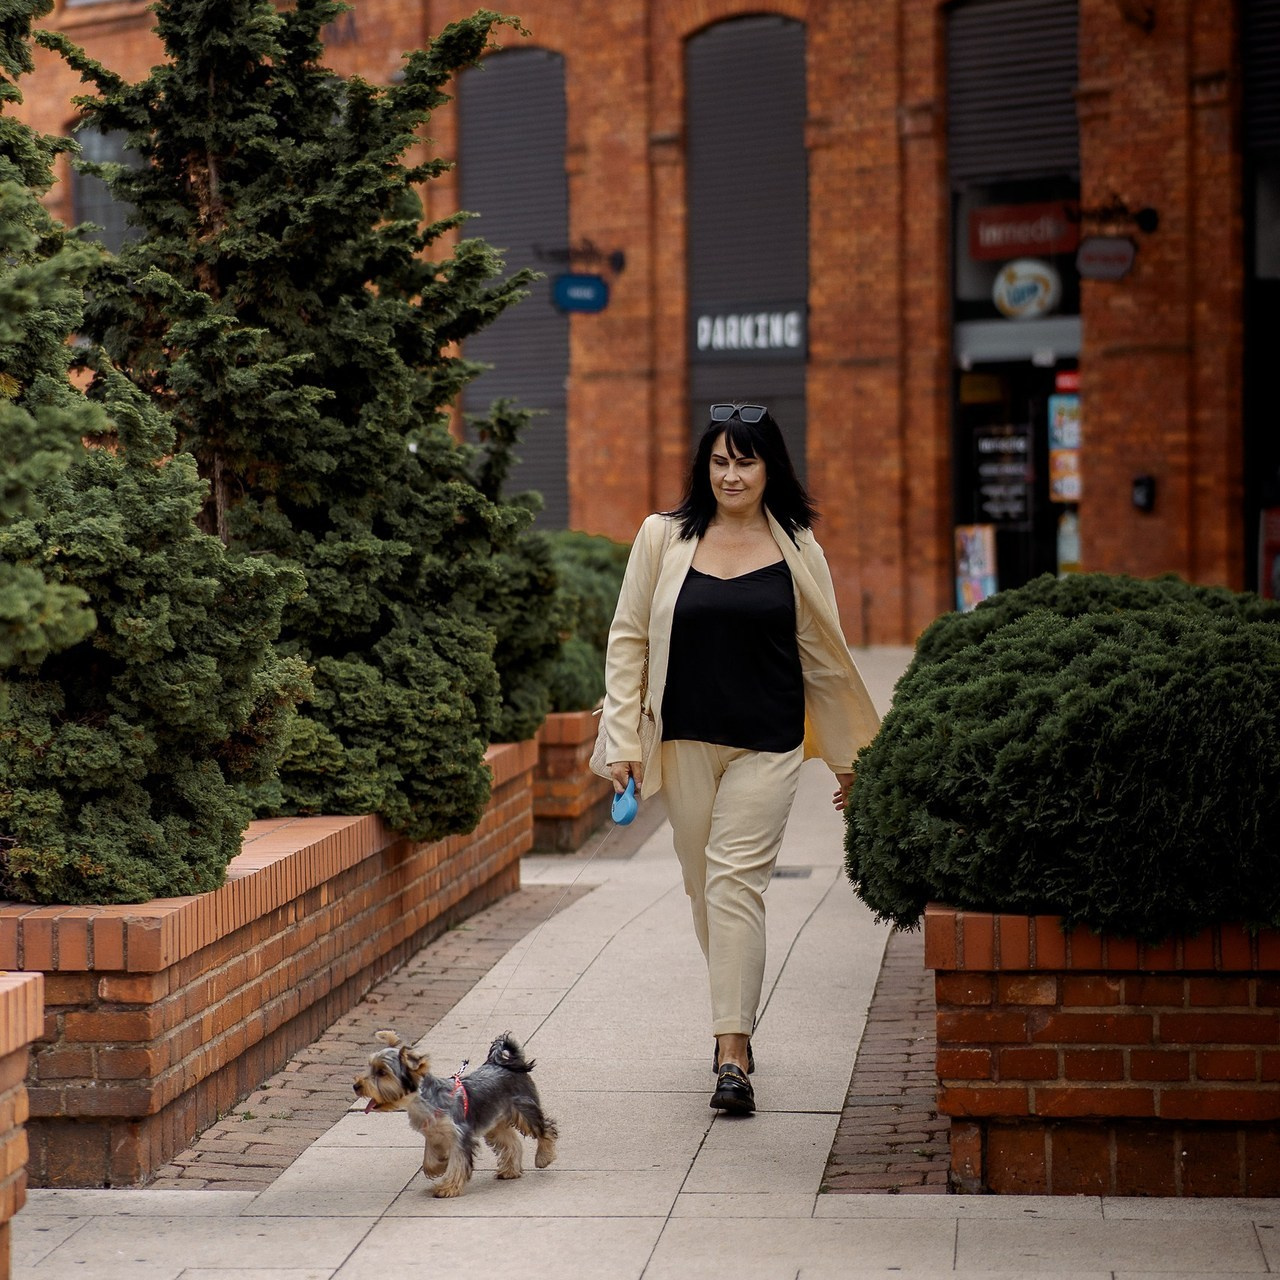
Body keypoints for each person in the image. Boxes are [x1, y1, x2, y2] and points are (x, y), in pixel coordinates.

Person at [601, 403, 881, 1116]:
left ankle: (732, 1052)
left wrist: (850, 760)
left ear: (770, 469)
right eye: (720, 461)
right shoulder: (662, 537)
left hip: (769, 741)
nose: (731, 475)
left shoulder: (798, 546)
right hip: (685, 740)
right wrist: (623, 741)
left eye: (745, 462)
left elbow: (824, 657)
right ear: (705, 467)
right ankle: (738, 1015)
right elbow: (629, 638)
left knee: (734, 885)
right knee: (706, 890)